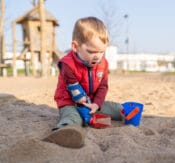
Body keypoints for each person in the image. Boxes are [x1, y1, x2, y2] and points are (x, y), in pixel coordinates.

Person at [44, 16, 123, 148]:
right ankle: (66, 130)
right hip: (70, 102)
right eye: (92, 52)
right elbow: (75, 90)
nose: (97, 56)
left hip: (91, 102)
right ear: (76, 46)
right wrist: (84, 103)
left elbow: (103, 87)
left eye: (102, 52)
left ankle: (126, 112)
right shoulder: (67, 65)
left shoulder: (103, 64)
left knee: (116, 109)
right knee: (73, 117)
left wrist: (96, 105)